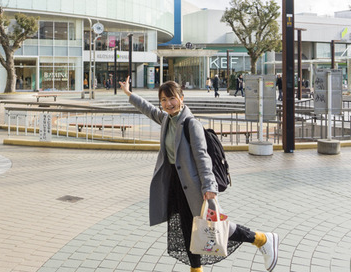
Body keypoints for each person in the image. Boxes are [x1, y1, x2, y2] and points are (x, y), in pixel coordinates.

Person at [119, 76, 279, 272]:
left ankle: (262, 239)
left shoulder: (190, 124)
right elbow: (149, 109)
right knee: (189, 228)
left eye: (172, 98)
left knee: (215, 226)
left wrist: (209, 188)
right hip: (177, 184)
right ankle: (196, 269)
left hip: (194, 187)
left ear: (181, 98)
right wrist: (129, 93)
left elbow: (203, 157)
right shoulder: (167, 119)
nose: (168, 103)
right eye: (163, 100)